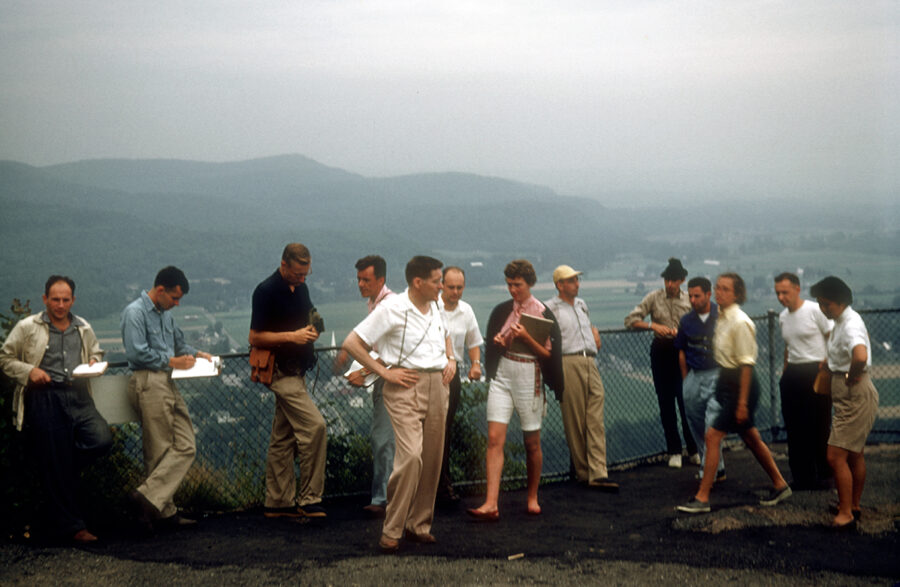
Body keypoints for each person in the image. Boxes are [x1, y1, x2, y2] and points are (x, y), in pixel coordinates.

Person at [342, 256, 456, 553]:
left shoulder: (437, 306)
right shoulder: (392, 308)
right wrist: (384, 372)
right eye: (436, 280)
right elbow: (352, 342)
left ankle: (419, 526)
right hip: (404, 386)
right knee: (411, 458)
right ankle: (392, 529)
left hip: (438, 386)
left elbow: (446, 335)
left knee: (432, 459)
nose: (441, 286)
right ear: (418, 282)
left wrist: (452, 359)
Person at [0, 275, 112, 542]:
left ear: (73, 300)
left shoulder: (83, 327)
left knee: (101, 439)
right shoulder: (28, 326)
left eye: (65, 300)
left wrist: (94, 360)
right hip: (44, 397)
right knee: (55, 461)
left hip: (78, 395)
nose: (60, 305)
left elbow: (95, 351)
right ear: (45, 299)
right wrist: (30, 371)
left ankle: (61, 470)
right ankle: (74, 528)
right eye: (55, 299)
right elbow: (5, 358)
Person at [677, 273, 791, 514]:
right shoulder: (722, 316)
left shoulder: (740, 321)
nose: (719, 292)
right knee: (750, 436)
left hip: (741, 384)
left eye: (726, 289)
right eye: (718, 288)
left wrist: (741, 403)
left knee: (712, 436)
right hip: (725, 380)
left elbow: (747, 364)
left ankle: (702, 497)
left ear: (737, 294)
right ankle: (780, 484)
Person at [467, 259, 563, 520]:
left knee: (531, 442)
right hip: (503, 374)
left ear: (529, 283)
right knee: (495, 438)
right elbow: (493, 345)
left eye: (517, 285)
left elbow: (548, 354)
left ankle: (532, 497)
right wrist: (498, 343)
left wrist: (526, 338)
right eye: (509, 285)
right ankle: (491, 502)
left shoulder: (542, 312)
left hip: (529, 373)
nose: (513, 290)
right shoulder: (502, 310)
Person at [122, 266, 212, 530]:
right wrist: (173, 361)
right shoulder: (135, 313)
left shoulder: (165, 316)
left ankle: (145, 499)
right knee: (158, 449)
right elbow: (137, 354)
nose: (177, 303)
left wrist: (198, 354)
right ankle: (163, 513)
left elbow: (179, 344)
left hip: (168, 380)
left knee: (186, 444)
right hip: (148, 380)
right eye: (174, 297)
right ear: (160, 290)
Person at [249, 243, 327, 518]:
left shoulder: (301, 289)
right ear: (283, 265)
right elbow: (255, 337)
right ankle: (309, 499)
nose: (302, 280)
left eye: (305, 274)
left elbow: (308, 315)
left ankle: (278, 502)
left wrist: (312, 329)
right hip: (281, 372)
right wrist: (292, 337)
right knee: (315, 427)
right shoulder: (265, 291)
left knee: (282, 439)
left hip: (298, 370)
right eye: (297, 274)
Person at [810, 276, 878, 529]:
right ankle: (852, 505)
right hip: (848, 392)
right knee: (854, 453)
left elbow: (859, 354)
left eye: (827, 304)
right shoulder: (842, 320)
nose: (823, 309)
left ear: (841, 302)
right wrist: (830, 364)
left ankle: (846, 513)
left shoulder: (849, 323)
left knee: (835, 455)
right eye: (820, 304)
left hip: (854, 393)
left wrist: (850, 373)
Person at [544, 265, 617, 491]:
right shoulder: (549, 308)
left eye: (577, 279)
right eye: (572, 280)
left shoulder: (582, 305)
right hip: (568, 361)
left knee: (595, 417)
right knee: (574, 419)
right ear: (560, 285)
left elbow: (587, 330)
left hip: (590, 361)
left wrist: (594, 339)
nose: (577, 284)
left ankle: (598, 471)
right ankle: (585, 472)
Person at [338, 255, 396, 517]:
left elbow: (395, 352)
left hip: (394, 380)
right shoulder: (374, 303)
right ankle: (387, 496)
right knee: (384, 439)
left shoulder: (389, 305)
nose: (361, 284)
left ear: (380, 280)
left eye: (366, 279)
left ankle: (382, 499)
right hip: (383, 377)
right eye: (359, 279)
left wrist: (362, 370)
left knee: (384, 439)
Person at [625, 258, 697, 468]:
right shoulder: (654, 298)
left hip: (684, 352)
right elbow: (630, 320)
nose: (669, 284)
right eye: (667, 280)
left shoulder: (689, 299)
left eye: (674, 280)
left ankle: (693, 449)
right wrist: (653, 326)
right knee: (666, 403)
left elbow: (698, 322)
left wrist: (682, 332)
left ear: (682, 280)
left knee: (687, 403)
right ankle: (674, 450)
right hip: (661, 352)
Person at [774, 272, 833, 490]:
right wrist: (785, 372)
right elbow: (788, 347)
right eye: (778, 293)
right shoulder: (782, 317)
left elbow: (831, 336)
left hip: (816, 370)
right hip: (793, 374)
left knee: (818, 424)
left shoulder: (814, 310)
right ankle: (801, 476)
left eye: (785, 292)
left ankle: (824, 474)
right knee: (795, 427)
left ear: (797, 289)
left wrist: (827, 363)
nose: (781, 297)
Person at [437, 266, 484, 503]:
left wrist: (476, 363)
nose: (455, 292)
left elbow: (473, 340)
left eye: (460, 287)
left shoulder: (466, 311)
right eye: (451, 287)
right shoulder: (431, 306)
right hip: (428, 372)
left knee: (444, 430)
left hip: (451, 376)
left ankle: (442, 486)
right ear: (441, 285)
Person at [674, 277, 725, 482]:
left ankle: (707, 473)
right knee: (696, 423)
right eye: (690, 296)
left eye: (697, 296)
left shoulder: (722, 316)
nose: (693, 300)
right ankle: (717, 467)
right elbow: (681, 351)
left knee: (712, 424)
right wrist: (687, 381)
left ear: (708, 294)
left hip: (718, 374)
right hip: (695, 376)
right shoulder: (686, 321)